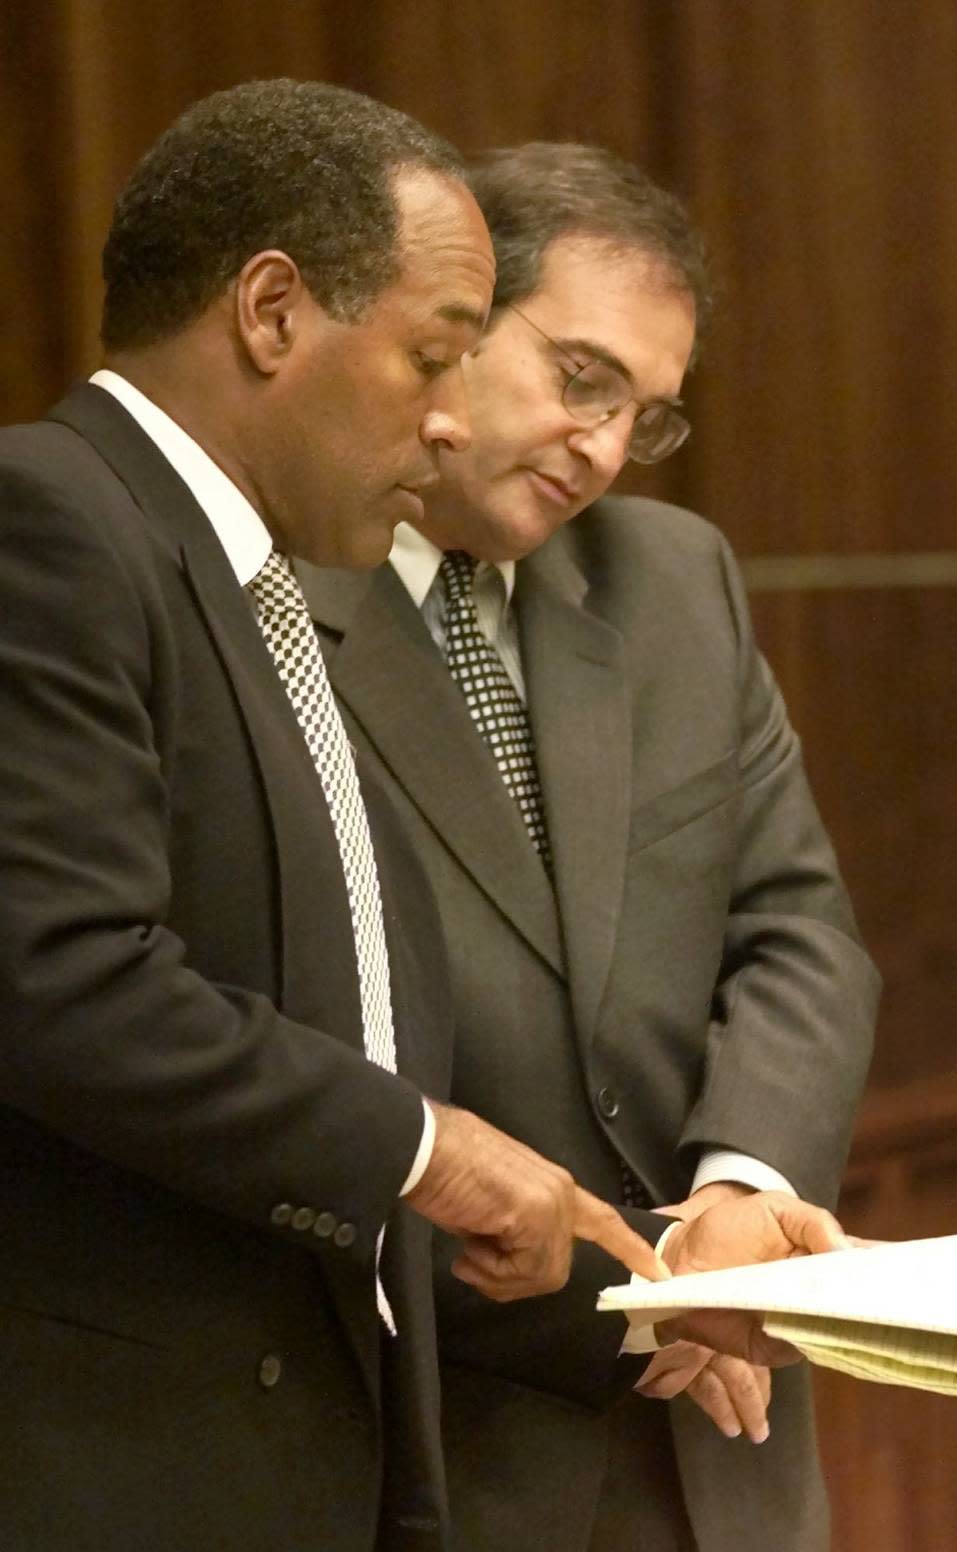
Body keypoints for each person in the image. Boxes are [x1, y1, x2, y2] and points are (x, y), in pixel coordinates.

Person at [0, 88, 669, 1552]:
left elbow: (342, 1020)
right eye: (435, 353)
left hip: (329, 1443)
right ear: (273, 311)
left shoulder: (264, 594)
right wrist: (431, 1150)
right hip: (126, 1472)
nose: (446, 416)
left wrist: (649, 1277)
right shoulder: (49, 521)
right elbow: (58, 978)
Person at [299, 142, 880, 1552]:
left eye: (647, 416)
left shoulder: (675, 580)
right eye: (582, 380)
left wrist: (746, 1186)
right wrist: (621, 1298)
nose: (608, 451)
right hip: (444, 1433)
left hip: (727, 1433)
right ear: (449, 323)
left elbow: (798, 928)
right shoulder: (274, 601)